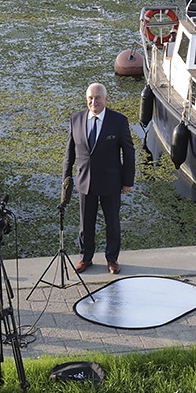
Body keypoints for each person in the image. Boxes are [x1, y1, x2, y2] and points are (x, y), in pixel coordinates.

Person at [63, 83, 135, 274]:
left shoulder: (118, 121)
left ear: (106, 99)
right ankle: (86, 258)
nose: (94, 101)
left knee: (112, 223)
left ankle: (112, 259)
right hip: (85, 182)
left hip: (111, 182)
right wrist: (66, 178)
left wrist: (128, 181)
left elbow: (128, 151)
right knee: (85, 223)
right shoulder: (76, 119)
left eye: (98, 97)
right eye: (90, 98)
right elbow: (69, 152)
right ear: (86, 99)